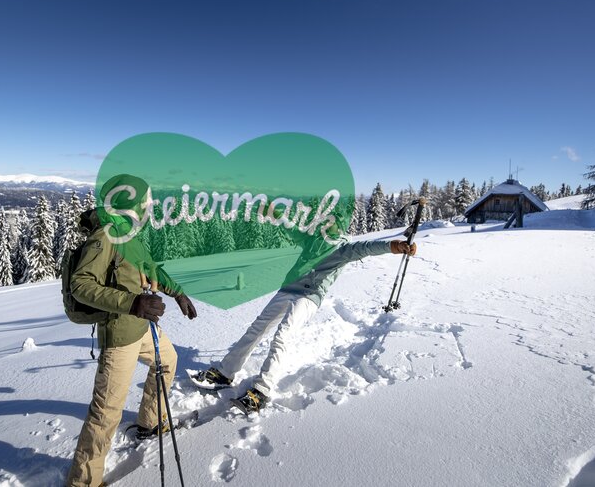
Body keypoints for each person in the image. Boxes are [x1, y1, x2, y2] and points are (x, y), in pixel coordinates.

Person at [190, 227, 416, 414]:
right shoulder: (314, 236)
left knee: (282, 336)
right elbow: (289, 228)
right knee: (256, 329)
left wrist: (393, 246)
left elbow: (365, 248)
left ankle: (261, 391)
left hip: (309, 296)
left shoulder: (344, 248)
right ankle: (225, 372)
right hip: (288, 288)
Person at [65, 174, 198, 487]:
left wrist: (176, 292)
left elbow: (151, 269)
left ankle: (150, 422)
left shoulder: (129, 234)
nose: (149, 207)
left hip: (142, 329)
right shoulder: (106, 235)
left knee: (168, 361)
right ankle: (83, 481)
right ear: (132, 203)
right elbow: (80, 285)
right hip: (120, 334)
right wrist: (132, 303)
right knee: (106, 412)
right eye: (146, 201)